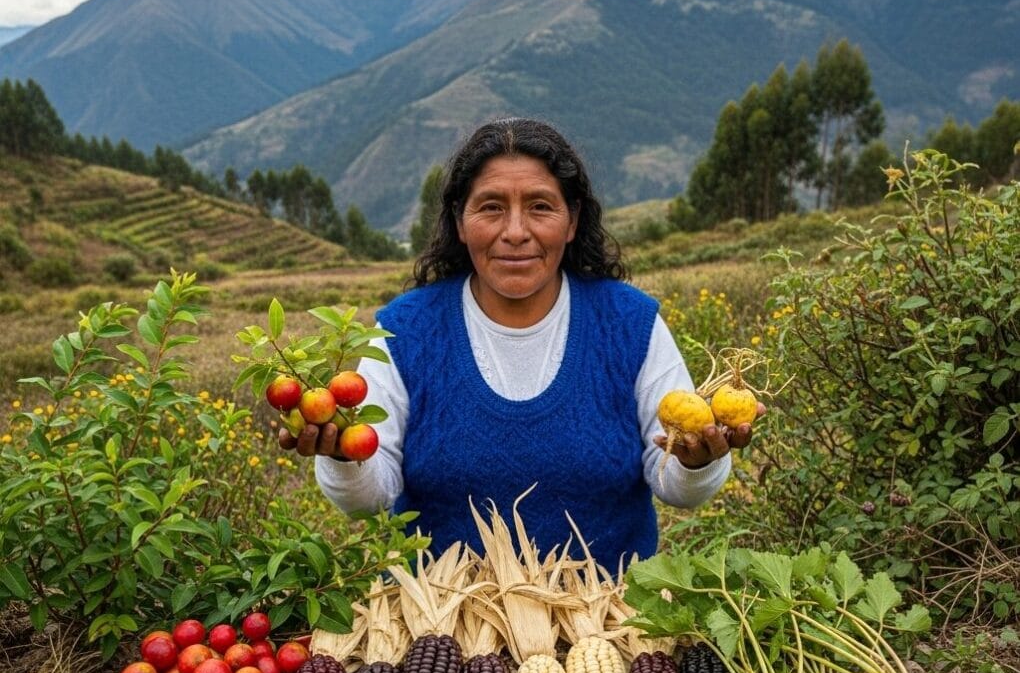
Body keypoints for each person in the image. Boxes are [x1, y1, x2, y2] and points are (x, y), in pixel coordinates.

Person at [280, 117, 760, 566]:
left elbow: (675, 483)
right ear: (460, 221)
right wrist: (343, 458)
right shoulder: (404, 332)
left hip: (605, 628)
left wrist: (699, 464)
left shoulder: (629, 323)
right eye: (491, 207)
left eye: (540, 207)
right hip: (444, 628)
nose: (515, 232)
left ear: (571, 222)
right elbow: (371, 498)